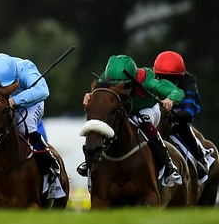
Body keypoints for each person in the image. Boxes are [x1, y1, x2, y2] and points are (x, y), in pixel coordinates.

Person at [81, 54, 184, 187]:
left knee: (142, 122)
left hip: (146, 108)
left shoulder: (147, 80)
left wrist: (170, 99)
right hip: (121, 110)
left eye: (126, 86)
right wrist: (90, 97)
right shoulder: (105, 78)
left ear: (135, 79)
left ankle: (168, 165)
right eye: (116, 86)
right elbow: (98, 95)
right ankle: (90, 166)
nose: (121, 91)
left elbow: (177, 91)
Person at [0, 53, 61, 187]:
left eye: (5, 86)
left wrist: (16, 100)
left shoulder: (25, 68)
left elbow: (43, 91)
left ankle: (49, 162)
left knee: (24, 127)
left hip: (30, 103)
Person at [153, 50, 208, 179]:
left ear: (180, 77)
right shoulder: (150, 77)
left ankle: (200, 157)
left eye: (172, 80)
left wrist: (172, 115)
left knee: (181, 127)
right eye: (162, 78)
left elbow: (189, 112)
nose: (167, 83)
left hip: (177, 116)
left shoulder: (188, 82)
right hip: (155, 115)